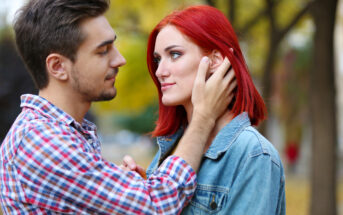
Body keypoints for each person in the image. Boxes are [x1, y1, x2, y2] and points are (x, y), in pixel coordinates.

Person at [0, 0, 237, 214]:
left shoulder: (60, 134)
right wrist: (203, 118)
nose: (119, 59)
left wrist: (125, 191)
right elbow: (158, 205)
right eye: (102, 51)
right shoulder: (42, 141)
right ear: (58, 66)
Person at [122, 5, 286, 215]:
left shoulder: (252, 154)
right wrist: (148, 195)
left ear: (215, 61)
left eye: (174, 54)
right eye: (158, 59)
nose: (160, 71)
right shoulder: (174, 145)